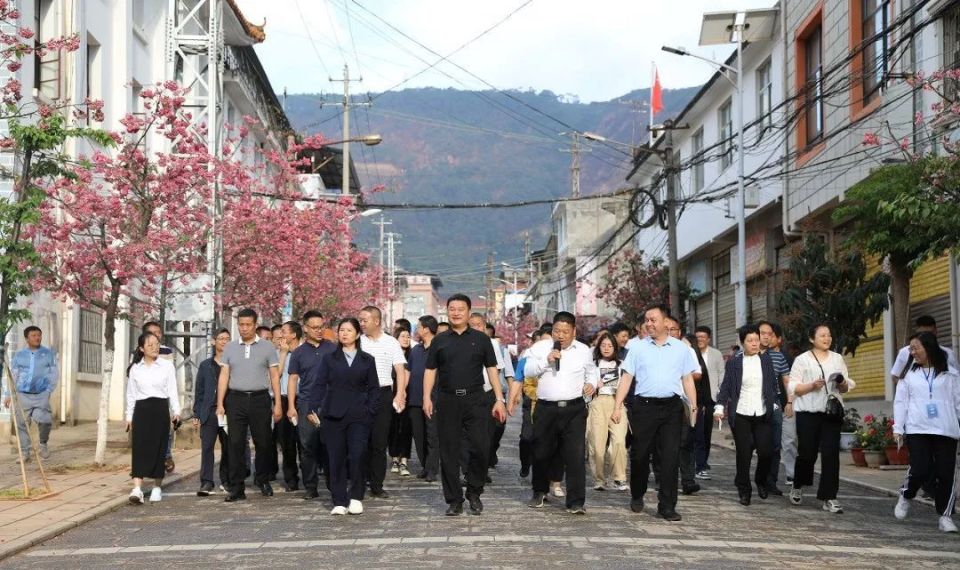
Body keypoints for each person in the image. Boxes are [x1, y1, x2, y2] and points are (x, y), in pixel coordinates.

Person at [612, 305, 698, 522]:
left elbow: (687, 379)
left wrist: (694, 406)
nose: (649, 324)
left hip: (672, 408)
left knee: (670, 456)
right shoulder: (638, 348)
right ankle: (637, 492)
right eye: (646, 320)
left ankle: (667, 506)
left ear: (665, 322)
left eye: (653, 320)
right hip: (644, 407)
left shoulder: (681, 349)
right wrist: (617, 406)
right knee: (640, 454)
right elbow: (627, 378)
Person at [423, 294, 506, 516]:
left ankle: (474, 491)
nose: (456, 312)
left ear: (469, 312)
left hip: (476, 400)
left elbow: (491, 370)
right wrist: (426, 398)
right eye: (452, 309)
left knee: (481, 447)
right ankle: (454, 500)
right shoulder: (440, 340)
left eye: (461, 309)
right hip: (448, 400)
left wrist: (499, 399)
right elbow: (430, 370)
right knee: (449, 451)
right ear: (447, 311)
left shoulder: (481, 339)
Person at [523, 311, 598, 514]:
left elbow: (592, 371)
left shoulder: (584, 350)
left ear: (574, 331)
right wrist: (546, 361)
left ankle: (575, 501)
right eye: (557, 331)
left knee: (575, 456)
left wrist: (591, 384)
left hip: (574, 409)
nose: (561, 335)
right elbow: (527, 371)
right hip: (546, 408)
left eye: (565, 331)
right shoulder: (540, 348)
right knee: (541, 452)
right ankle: (539, 491)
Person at [307, 318, 381, 516]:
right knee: (336, 458)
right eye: (342, 330)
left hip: (359, 415)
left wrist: (370, 410)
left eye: (349, 330)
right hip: (333, 414)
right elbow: (320, 384)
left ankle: (356, 496)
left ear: (357, 334)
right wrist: (312, 407)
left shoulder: (367, 360)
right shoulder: (330, 358)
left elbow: (374, 389)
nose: (345, 333)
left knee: (357, 454)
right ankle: (339, 499)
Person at [893, 331, 960, 533]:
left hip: (946, 429)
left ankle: (945, 516)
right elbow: (900, 402)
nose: (912, 352)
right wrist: (898, 428)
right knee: (920, 469)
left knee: (946, 473)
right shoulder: (909, 375)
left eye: (916, 348)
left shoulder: (950, 374)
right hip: (917, 428)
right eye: (910, 348)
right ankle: (906, 495)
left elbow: (958, 401)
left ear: (929, 347)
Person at [787, 324, 856, 514]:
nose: (827, 338)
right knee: (807, 454)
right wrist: (811, 385)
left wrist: (841, 382)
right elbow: (793, 387)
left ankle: (829, 497)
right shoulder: (802, 360)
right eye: (822, 335)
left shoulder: (837, 358)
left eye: (829, 335)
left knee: (831, 454)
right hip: (808, 413)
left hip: (831, 413)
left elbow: (845, 387)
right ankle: (798, 484)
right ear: (812, 339)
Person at [216, 308, 283, 502]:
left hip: (260, 399)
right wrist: (220, 403)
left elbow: (274, 377)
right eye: (241, 325)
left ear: (255, 325)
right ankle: (236, 487)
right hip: (235, 400)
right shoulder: (229, 347)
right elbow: (224, 376)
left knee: (263, 442)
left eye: (248, 325)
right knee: (235, 443)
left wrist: (277, 403)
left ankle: (262, 479)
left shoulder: (267, 347)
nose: (244, 328)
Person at [713, 325, 779, 506]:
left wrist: (775, 402)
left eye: (756, 340)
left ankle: (760, 480)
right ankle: (744, 489)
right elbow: (726, 386)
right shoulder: (734, 362)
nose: (754, 344)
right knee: (743, 454)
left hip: (762, 412)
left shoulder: (766, 360)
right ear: (742, 343)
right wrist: (719, 407)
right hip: (741, 413)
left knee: (766, 452)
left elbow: (772, 384)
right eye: (750, 341)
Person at [358, 306, 408, 499]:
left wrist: (400, 394)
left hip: (383, 393)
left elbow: (400, 370)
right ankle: (359, 481)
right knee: (360, 441)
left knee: (379, 442)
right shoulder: (357, 342)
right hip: (360, 395)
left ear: (376, 321)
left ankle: (377, 484)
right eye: (360, 320)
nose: (361, 323)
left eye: (365, 320)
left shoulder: (391, 342)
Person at [126, 332, 180, 504]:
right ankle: (137, 488)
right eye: (150, 345)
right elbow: (131, 395)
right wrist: (129, 416)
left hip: (160, 409)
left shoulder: (166, 366)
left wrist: (176, 411)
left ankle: (157, 486)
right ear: (142, 348)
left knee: (159, 448)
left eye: (156, 344)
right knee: (139, 448)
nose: (155, 347)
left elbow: (172, 390)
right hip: (141, 410)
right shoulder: (135, 368)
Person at [287, 310, 337, 500]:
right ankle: (310, 485)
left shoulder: (332, 349)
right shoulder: (298, 353)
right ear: (306, 328)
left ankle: (334, 483)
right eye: (314, 327)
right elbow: (292, 380)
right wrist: (291, 406)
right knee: (307, 446)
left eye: (321, 327)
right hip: (307, 403)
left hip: (329, 403)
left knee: (330, 445)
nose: (318, 331)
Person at [4, 326, 58, 462]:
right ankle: (25, 453)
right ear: (27, 338)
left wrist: (48, 390)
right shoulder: (20, 355)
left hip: (41, 394)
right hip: (23, 394)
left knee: (45, 420)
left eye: (39, 335)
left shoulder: (47, 354)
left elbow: (54, 373)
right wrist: (9, 394)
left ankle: (43, 444)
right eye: (34, 335)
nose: (37, 338)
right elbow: (14, 375)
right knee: (22, 423)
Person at [508, 326, 554, 479]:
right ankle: (525, 463)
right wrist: (511, 400)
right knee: (527, 437)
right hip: (531, 401)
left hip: (551, 403)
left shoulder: (561, 356)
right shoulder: (527, 357)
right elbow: (518, 378)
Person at [586, 330, 629, 492]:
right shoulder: (593, 365)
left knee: (618, 441)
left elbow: (626, 385)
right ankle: (599, 479)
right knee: (597, 444)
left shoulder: (622, 365)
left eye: (610, 345)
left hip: (617, 403)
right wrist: (592, 386)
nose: (606, 348)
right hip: (598, 402)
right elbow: (587, 385)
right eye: (603, 345)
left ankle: (619, 478)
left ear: (615, 347)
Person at [193, 328, 232, 496]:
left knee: (229, 447)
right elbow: (199, 391)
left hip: (228, 412)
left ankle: (226, 480)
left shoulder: (232, 363)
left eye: (227, 338)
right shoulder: (205, 365)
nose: (224, 341)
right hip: (209, 412)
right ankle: (207, 482)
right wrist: (196, 413)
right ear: (213, 341)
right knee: (207, 447)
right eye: (221, 338)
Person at [665, 317, 702, 496]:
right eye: (668, 329)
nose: (671, 332)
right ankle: (662, 477)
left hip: (683, 401)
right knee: (664, 442)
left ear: (679, 332)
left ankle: (688, 480)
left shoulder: (686, 350)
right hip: (661, 401)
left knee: (685, 441)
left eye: (674, 329)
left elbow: (697, 374)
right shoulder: (653, 349)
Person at [758, 321, 791, 495]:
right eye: (762, 333)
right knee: (758, 446)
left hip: (775, 403)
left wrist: (790, 402)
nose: (766, 336)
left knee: (775, 445)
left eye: (769, 333)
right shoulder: (747, 355)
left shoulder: (779, 357)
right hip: (753, 404)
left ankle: (771, 481)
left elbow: (786, 380)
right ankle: (757, 479)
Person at [406, 315, 440, 482]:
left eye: (418, 327)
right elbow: (408, 371)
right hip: (414, 399)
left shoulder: (440, 348)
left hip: (433, 399)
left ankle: (433, 468)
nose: (416, 330)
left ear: (426, 329)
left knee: (432, 435)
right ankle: (425, 466)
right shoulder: (416, 350)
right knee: (418, 436)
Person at [142, 321, 175, 473]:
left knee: (166, 428)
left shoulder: (166, 351)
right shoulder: (138, 352)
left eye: (158, 332)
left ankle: (166, 456)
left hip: (162, 396)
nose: (157, 335)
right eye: (153, 332)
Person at [273, 321, 302, 491]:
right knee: (287, 442)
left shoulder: (306, 352)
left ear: (293, 335)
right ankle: (291, 478)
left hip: (302, 399)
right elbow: (275, 376)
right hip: (283, 399)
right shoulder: (277, 354)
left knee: (306, 442)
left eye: (284, 332)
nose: (280, 335)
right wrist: (283, 354)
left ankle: (310, 473)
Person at [693, 326, 724, 480]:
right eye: (697, 336)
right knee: (696, 433)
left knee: (706, 432)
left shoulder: (716, 354)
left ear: (709, 339)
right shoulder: (691, 354)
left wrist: (720, 396)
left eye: (703, 337)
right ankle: (698, 464)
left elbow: (721, 374)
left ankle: (703, 462)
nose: (700, 339)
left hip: (711, 397)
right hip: (694, 399)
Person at [890, 316, 959, 385]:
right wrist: (907, 389)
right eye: (923, 334)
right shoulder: (905, 352)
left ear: (936, 331)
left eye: (930, 333)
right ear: (917, 333)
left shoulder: (948, 353)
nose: (927, 338)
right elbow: (895, 375)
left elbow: (957, 378)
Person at [389, 325, 414, 477]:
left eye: (408, 336)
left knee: (406, 429)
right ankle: (394, 459)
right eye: (402, 336)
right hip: (391, 396)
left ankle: (404, 460)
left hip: (410, 396)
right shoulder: (392, 355)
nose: (406, 339)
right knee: (392, 428)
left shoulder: (413, 355)